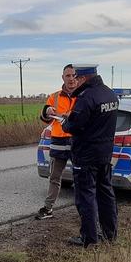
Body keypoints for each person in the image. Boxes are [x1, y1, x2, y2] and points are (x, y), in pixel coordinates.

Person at [61, 64, 119, 247]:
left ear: (84, 78)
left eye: (77, 77)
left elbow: (75, 125)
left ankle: (89, 238)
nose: (75, 81)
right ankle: (110, 234)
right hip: (104, 153)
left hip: (85, 155)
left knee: (85, 197)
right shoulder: (110, 94)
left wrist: (65, 123)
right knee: (106, 193)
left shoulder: (86, 97)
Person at [35, 64, 79, 220]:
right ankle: (48, 209)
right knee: (54, 178)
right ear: (63, 78)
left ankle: (86, 208)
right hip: (58, 142)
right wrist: (46, 111)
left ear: (78, 76)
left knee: (82, 177)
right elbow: (45, 117)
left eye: (74, 75)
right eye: (68, 76)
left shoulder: (84, 95)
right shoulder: (54, 97)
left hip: (77, 141)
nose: (71, 79)